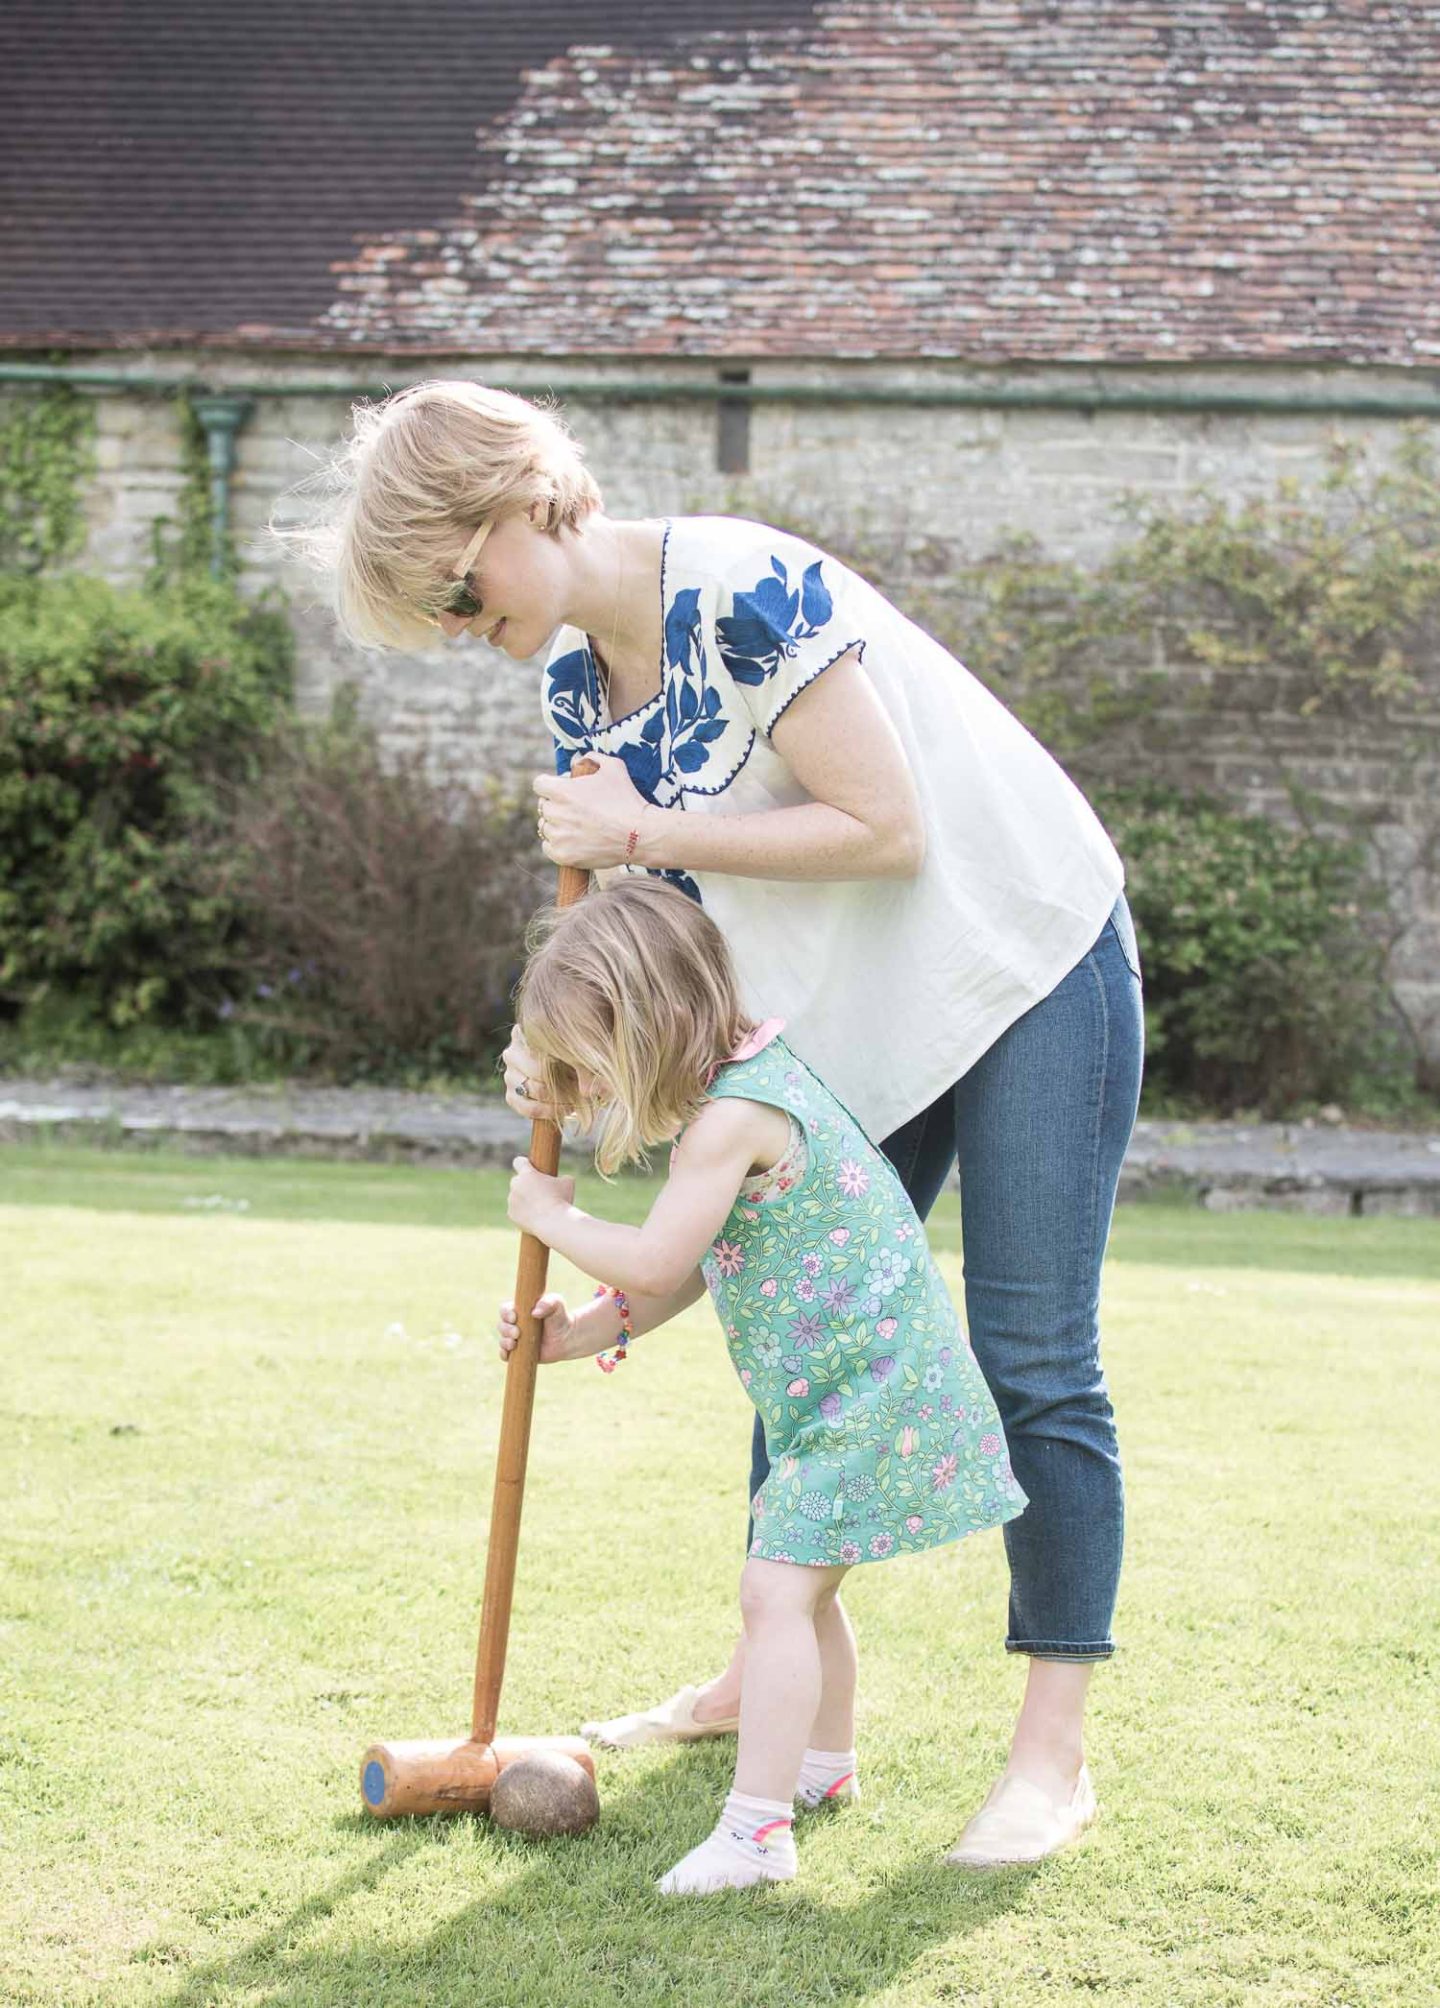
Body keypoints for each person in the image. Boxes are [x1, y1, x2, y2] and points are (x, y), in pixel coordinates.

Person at [315, 377, 1144, 1868]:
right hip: (846, 1029)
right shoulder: (578, 690)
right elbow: (661, 951)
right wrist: (557, 1050)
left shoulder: (742, 584)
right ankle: (778, 1683)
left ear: (523, 502)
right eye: (430, 612)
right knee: (800, 1325)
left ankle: (1049, 1755)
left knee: (1031, 1350)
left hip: (1019, 962)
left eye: (454, 584)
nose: (454, 623)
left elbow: (885, 828)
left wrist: (639, 831)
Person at [496, 878, 1028, 1893]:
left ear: (647, 1024)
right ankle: (822, 1767)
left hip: (869, 1388)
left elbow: (654, 1256)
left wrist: (547, 1216)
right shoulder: (735, 1092)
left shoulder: (735, 1116)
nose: (590, 1086)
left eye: (594, 1062)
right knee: (806, 1587)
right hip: (838, 1389)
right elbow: (688, 1266)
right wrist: (576, 1336)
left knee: (775, 1590)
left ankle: (755, 1833)